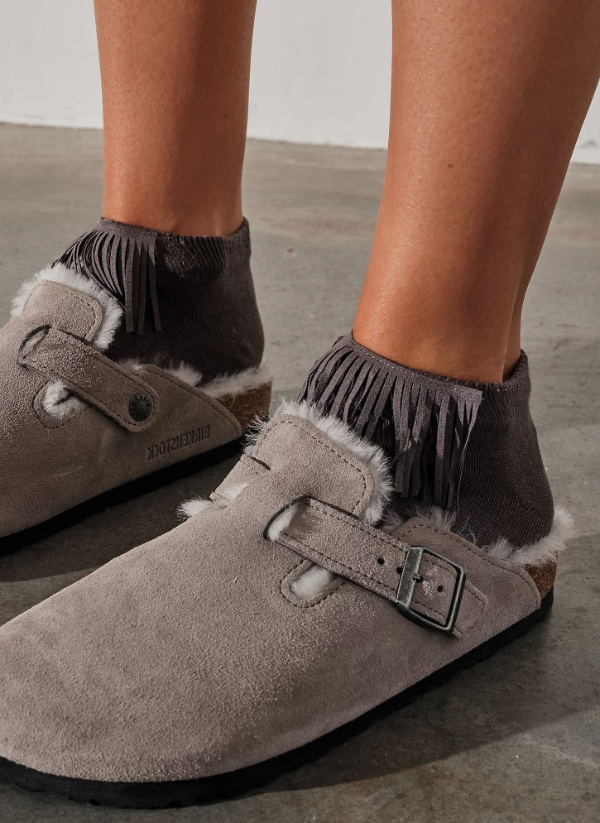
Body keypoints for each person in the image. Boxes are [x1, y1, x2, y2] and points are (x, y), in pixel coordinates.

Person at [0, 0, 597, 808]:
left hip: (439, 467)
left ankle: (442, 438)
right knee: (159, 224)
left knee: (440, 361)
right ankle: (163, 297)